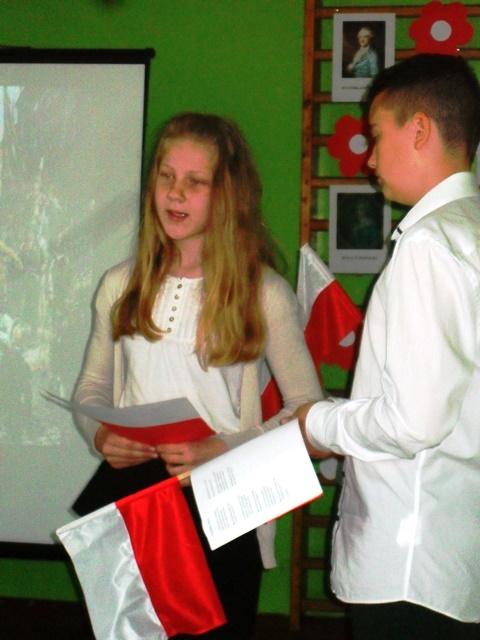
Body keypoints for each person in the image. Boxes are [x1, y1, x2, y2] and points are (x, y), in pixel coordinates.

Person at [72, 111, 323, 640]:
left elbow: (308, 414)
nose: (175, 193)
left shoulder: (264, 292)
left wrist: (224, 447)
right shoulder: (120, 285)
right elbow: (91, 390)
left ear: (227, 195)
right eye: (166, 176)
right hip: (138, 505)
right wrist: (101, 435)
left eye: (195, 182)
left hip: (224, 504)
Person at [296, 54, 480, 639]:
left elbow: (414, 421)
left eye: (376, 137)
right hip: (452, 551)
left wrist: (316, 423)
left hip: (410, 561)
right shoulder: (469, 230)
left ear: (419, 130)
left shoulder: (429, 245)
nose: (369, 159)